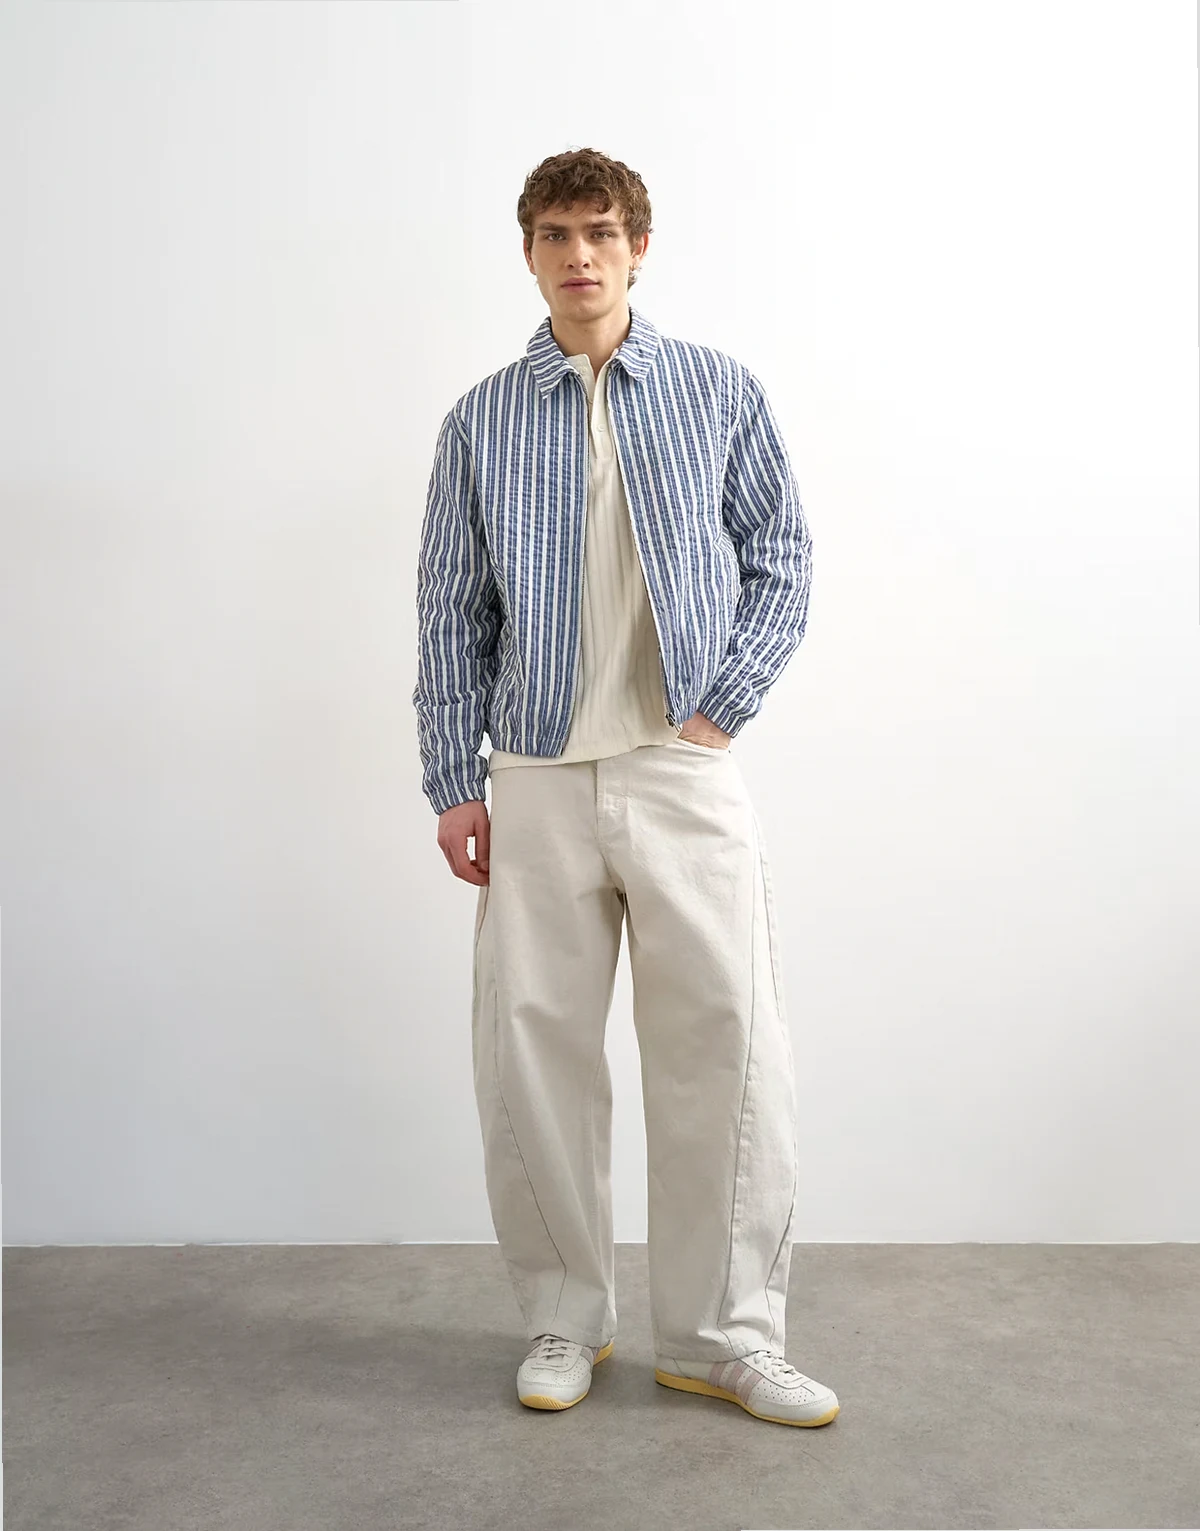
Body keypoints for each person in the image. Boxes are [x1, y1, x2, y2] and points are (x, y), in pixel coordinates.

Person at [412, 147, 838, 1430]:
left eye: (600, 231)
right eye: (556, 234)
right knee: (535, 1051)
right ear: (529, 254)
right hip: (535, 776)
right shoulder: (481, 420)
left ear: (638, 246)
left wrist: (722, 703)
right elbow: (450, 612)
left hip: (681, 767)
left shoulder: (717, 390)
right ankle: (565, 1317)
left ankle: (725, 1337)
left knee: (729, 1046)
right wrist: (454, 780)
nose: (579, 254)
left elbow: (782, 554)